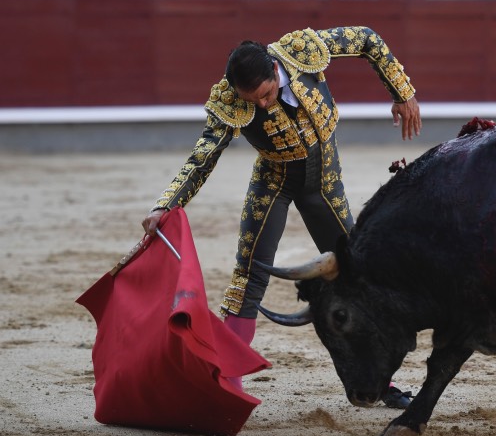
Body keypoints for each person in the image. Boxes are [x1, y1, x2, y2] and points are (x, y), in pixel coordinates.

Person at [141, 26, 421, 408]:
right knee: (248, 278)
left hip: (325, 183)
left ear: (276, 71)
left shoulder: (303, 50)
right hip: (273, 182)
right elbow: (203, 156)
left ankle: (381, 382)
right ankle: (227, 388)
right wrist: (167, 203)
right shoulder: (228, 99)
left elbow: (368, 39)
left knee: (361, 278)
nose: (261, 107)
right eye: (250, 101)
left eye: (266, 95)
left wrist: (402, 93)